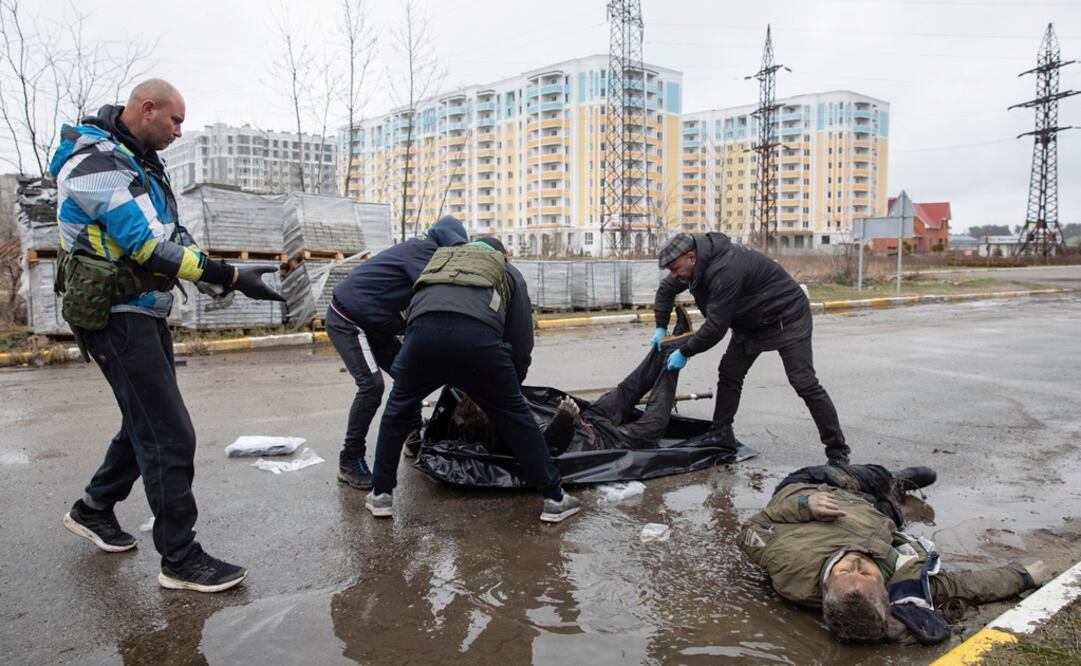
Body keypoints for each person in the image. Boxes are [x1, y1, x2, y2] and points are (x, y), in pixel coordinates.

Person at [51, 79, 285, 593]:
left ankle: (93, 509)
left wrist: (230, 277)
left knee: (147, 424)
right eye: (176, 120)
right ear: (147, 108)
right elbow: (144, 243)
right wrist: (225, 276)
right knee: (169, 435)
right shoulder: (95, 160)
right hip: (116, 312)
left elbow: (172, 232)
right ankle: (180, 559)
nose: (180, 130)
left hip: (143, 309)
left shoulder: (139, 160)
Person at [368, 237, 580, 523]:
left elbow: (415, 309)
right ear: (502, 255)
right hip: (477, 341)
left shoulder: (439, 264)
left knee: (397, 410)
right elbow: (520, 340)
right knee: (515, 417)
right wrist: (512, 386)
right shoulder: (507, 271)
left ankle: (381, 495)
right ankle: (555, 499)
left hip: (421, 338)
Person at [738, 463, 1048, 643]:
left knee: (876, 476)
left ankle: (891, 481)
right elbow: (965, 586)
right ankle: (894, 488)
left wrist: (805, 506)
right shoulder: (901, 584)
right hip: (877, 520)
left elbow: (751, 527)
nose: (856, 564)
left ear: (826, 586)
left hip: (817, 485)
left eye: (845, 573)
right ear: (886, 592)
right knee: (891, 504)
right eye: (867, 574)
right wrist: (1024, 577)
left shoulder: (790, 567)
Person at [652, 232, 850, 465]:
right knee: (729, 374)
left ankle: (838, 451)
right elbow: (666, 290)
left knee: (804, 381)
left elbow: (716, 327)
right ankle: (720, 432)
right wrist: (660, 327)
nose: (674, 275)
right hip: (751, 322)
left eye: (675, 268)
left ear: (692, 257)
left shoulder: (725, 269)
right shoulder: (693, 266)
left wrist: (685, 351)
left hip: (787, 317)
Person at [326, 215, 468, 490]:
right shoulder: (425, 253)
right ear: (449, 244)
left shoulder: (426, 251)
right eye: (457, 248)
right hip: (348, 319)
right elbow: (436, 296)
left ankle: (414, 440)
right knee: (371, 387)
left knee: (410, 376)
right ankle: (350, 460)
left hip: (375, 324)